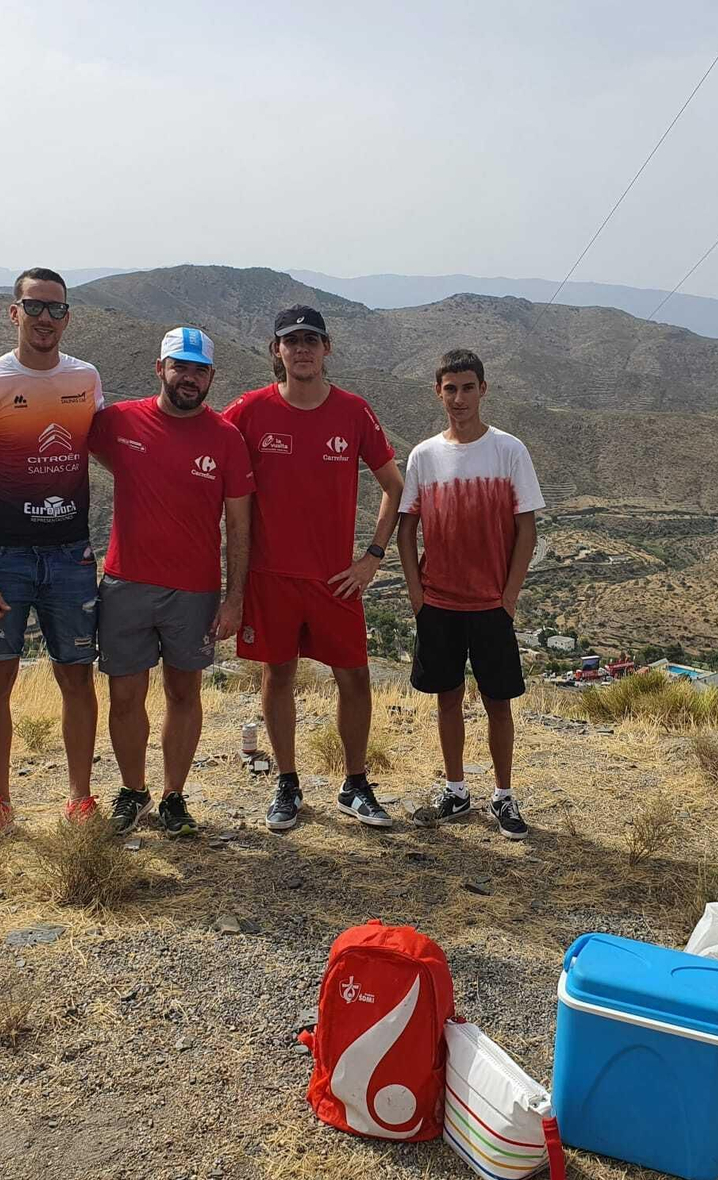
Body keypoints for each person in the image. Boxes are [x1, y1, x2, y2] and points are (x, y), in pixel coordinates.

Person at [222, 305, 404, 832]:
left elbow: (395, 485)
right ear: (276, 350)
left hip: (335, 580)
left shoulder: (353, 411)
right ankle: (287, 782)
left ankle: (355, 783)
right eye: (291, 340)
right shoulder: (250, 410)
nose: (301, 349)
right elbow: (202, 447)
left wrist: (372, 557)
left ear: (328, 349)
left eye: (312, 340)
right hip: (270, 577)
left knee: (355, 678)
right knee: (277, 675)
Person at [0, 268, 105, 840]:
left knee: (78, 679)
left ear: (68, 317)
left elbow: (106, 449)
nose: (45, 319)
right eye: (34, 307)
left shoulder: (85, 378)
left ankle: (81, 800)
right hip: (2, 559)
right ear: (13, 312)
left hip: (69, 555)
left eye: (56, 310)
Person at [88, 327, 253, 835]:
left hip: (195, 590)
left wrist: (234, 598)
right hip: (125, 583)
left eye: (199, 369)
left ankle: (174, 797)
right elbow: (68, 439)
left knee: (186, 695)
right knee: (125, 696)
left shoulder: (226, 438)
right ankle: (133, 791)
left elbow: (239, 526)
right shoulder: (117, 421)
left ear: (211, 377)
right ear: (160, 368)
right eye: (180, 366)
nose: (189, 377)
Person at [397, 349, 544, 840]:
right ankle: (456, 790)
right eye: (449, 388)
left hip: (490, 605)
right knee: (447, 699)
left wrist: (509, 596)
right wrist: (417, 594)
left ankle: (503, 796)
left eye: (467, 387)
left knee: (498, 702)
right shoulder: (424, 455)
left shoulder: (509, 450)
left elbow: (527, 528)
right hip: (438, 603)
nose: (458, 398)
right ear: (438, 393)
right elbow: (406, 529)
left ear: (484, 389)